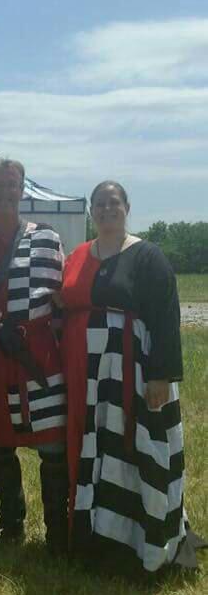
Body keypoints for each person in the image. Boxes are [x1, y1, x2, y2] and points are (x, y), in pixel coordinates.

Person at [59, 180, 204, 571]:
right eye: (99, 203)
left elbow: (166, 317)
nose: (107, 209)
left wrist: (160, 376)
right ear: (91, 210)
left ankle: (145, 541)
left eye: (114, 202)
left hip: (135, 373)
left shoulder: (147, 256)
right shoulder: (78, 255)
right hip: (91, 379)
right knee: (97, 450)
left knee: (138, 448)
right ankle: (99, 538)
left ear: (126, 207)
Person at [0, 159, 68, 549]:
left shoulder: (47, 238)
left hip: (38, 353)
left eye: (12, 184)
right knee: (1, 445)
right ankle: (11, 527)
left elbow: (63, 293)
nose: (6, 191)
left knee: (52, 445)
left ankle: (58, 530)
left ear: (22, 190)